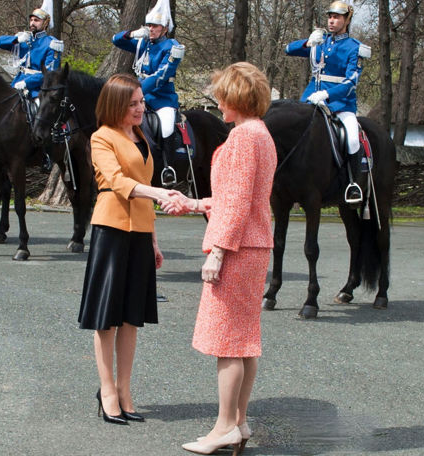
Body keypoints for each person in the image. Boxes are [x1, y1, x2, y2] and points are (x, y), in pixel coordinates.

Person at [160, 62, 276, 454]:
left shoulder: (244, 137)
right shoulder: (261, 134)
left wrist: (219, 253)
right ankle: (238, 422)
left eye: (222, 96)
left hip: (239, 248)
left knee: (229, 342)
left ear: (237, 97)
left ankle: (225, 426)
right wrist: (192, 203)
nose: (218, 102)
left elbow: (240, 202)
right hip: (253, 244)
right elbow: (235, 199)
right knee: (243, 342)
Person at [78, 74, 177, 426]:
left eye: (141, 102)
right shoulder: (101, 137)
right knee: (107, 319)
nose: (140, 108)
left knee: (131, 318)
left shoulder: (140, 135)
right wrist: (160, 194)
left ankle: (124, 389)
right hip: (112, 229)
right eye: (133, 103)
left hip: (139, 233)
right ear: (116, 105)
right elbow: (118, 182)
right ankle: (106, 391)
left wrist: (152, 239)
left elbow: (144, 186)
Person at [286, 1, 370, 203]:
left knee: (351, 137)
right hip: (310, 100)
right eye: (330, 17)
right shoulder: (320, 42)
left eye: (337, 17)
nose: (332, 21)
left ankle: (353, 183)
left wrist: (327, 94)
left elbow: (351, 82)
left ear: (346, 20)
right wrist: (308, 42)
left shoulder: (354, 48)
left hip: (340, 103)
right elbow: (288, 49)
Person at [0, 0, 63, 172]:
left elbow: (49, 73)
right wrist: (16, 39)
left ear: (45, 23)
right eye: (31, 20)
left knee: (42, 113)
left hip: (37, 88)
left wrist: (27, 82)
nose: (32, 23)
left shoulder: (51, 43)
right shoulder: (24, 40)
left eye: (37, 20)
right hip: (17, 83)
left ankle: (46, 154)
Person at [111, 0, 185, 156]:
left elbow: (161, 76)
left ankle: (167, 168)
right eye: (149, 25)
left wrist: (136, 90)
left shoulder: (172, 47)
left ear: (164, 29)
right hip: (141, 97)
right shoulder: (142, 43)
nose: (151, 29)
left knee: (166, 127)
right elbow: (115, 40)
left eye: (155, 26)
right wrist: (132, 34)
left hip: (162, 98)